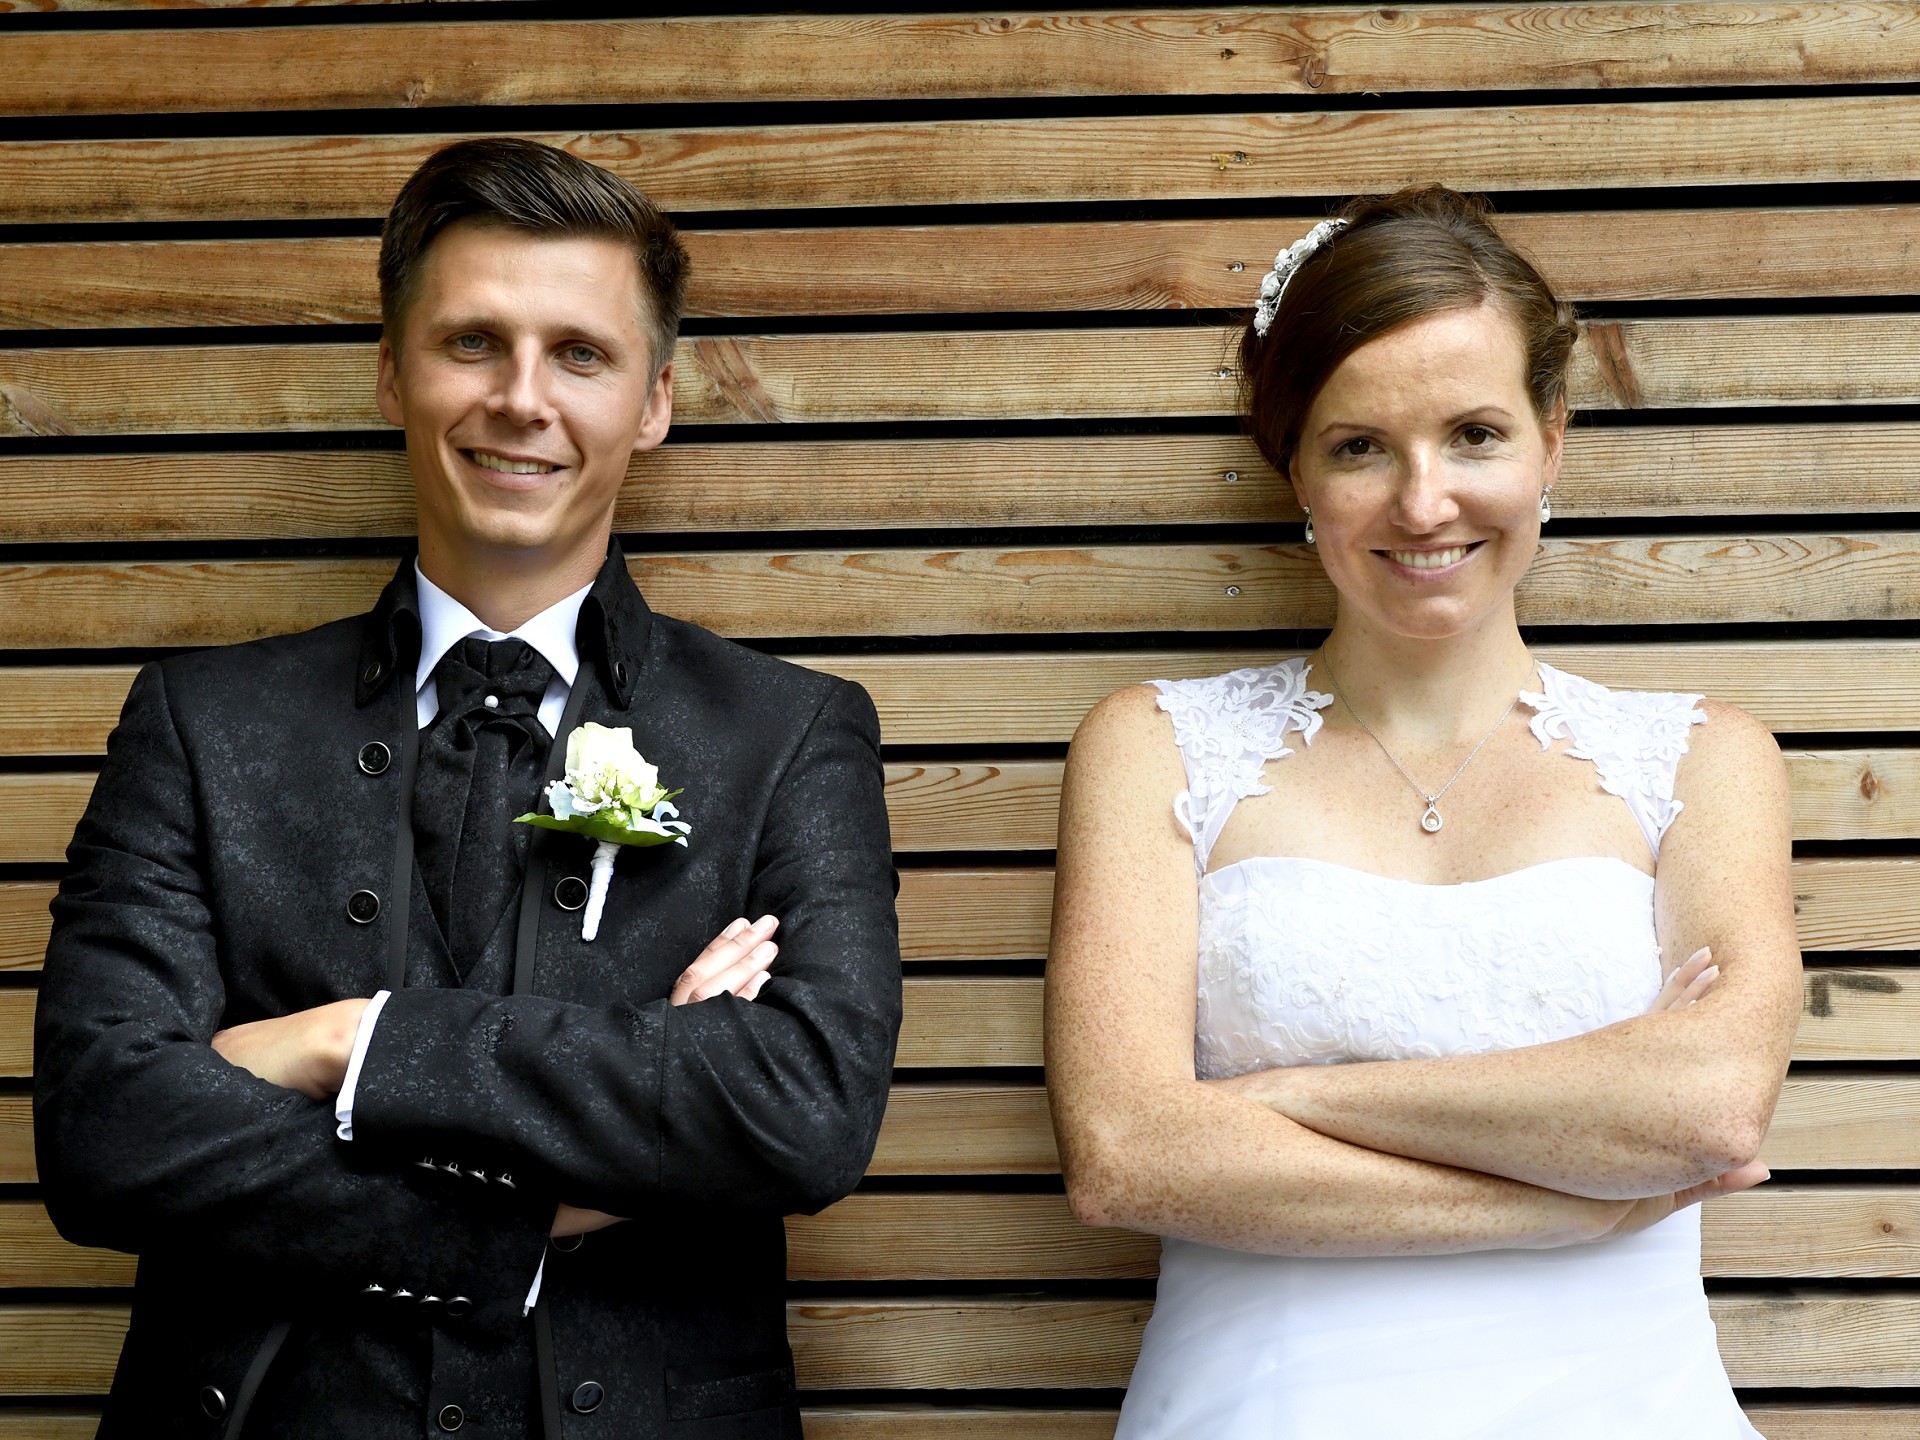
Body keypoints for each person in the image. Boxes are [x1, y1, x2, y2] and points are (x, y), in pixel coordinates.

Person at [34, 137, 901, 1439]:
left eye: (580, 354)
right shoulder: (198, 724)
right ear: (394, 371)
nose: (521, 399)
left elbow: (803, 1111)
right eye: (473, 343)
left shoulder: (792, 737)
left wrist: (348, 1044)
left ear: (655, 402)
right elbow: (106, 1132)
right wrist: (587, 1164)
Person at [1044, 187, 1800, 1438]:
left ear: (1551, 440)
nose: (1423, 502)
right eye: (1360, 447)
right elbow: (1128, 1154)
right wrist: (1569, 1198)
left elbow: (1709, 1108)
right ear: (1294, 465)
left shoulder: (1702, 760)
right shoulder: (1157, 747)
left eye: (1475, 435)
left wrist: (1285, 1099)